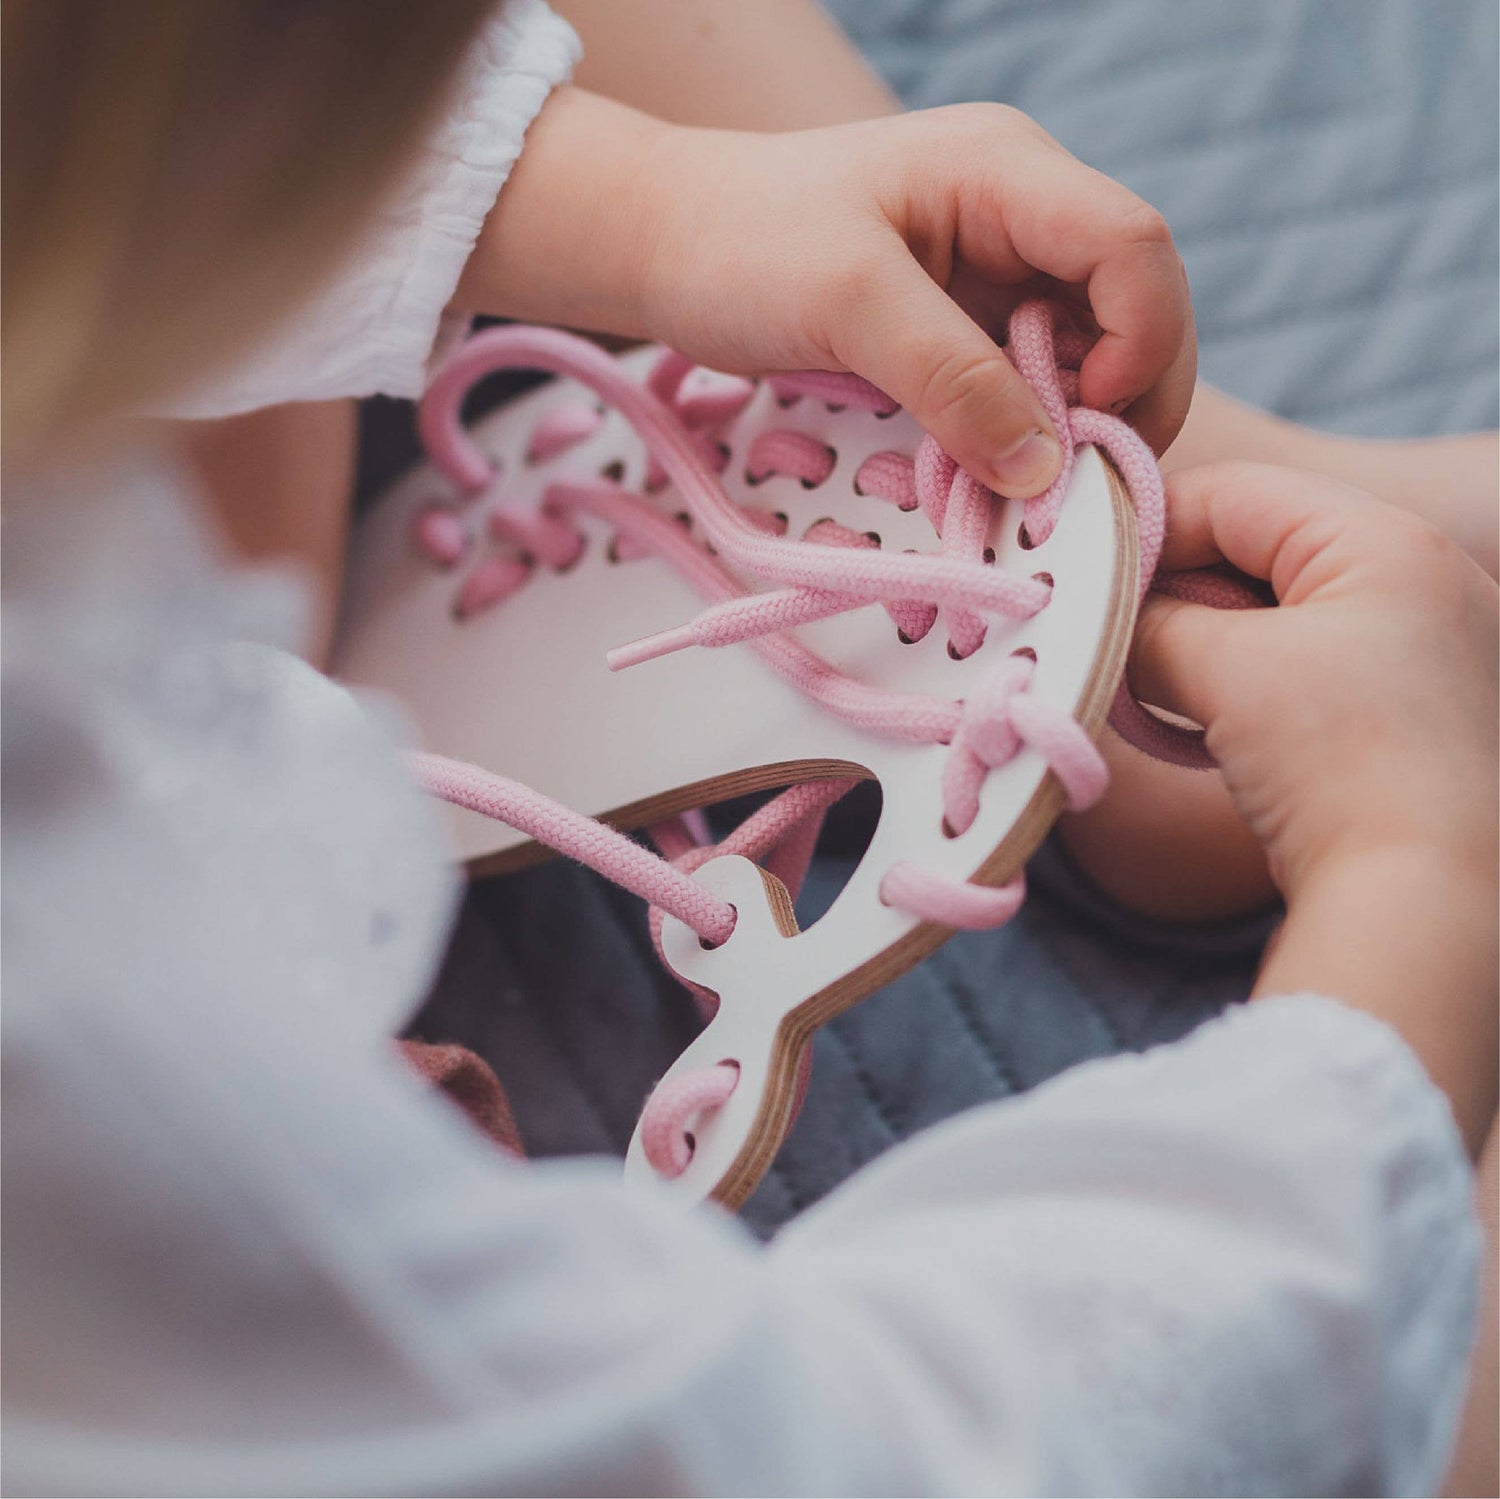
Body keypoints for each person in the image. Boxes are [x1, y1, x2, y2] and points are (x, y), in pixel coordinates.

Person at [3, 2, 1494, 1493]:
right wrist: (1421, 890)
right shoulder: (115, 1101)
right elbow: (917, 1451)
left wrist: (646, 203)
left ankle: (1201, 506)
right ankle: (1204, 569)